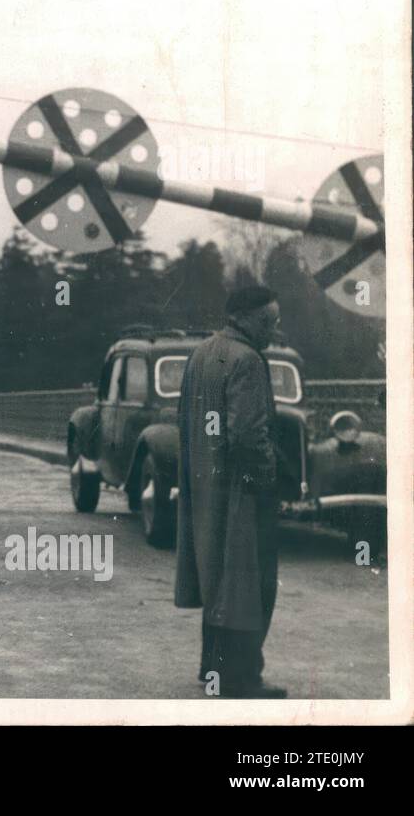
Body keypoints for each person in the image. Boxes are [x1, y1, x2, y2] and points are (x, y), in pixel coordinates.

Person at [175, 284, 286, 699]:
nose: (275, 331)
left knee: (219, 578)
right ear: (251, 320)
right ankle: (241, 678)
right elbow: (248, 435)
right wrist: (269, 481)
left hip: (207, 486)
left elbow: (184, 418)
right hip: (243, 492)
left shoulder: (202, 352)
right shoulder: (249, 361)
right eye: (271, 322)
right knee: (251, 583)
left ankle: (213, 669)